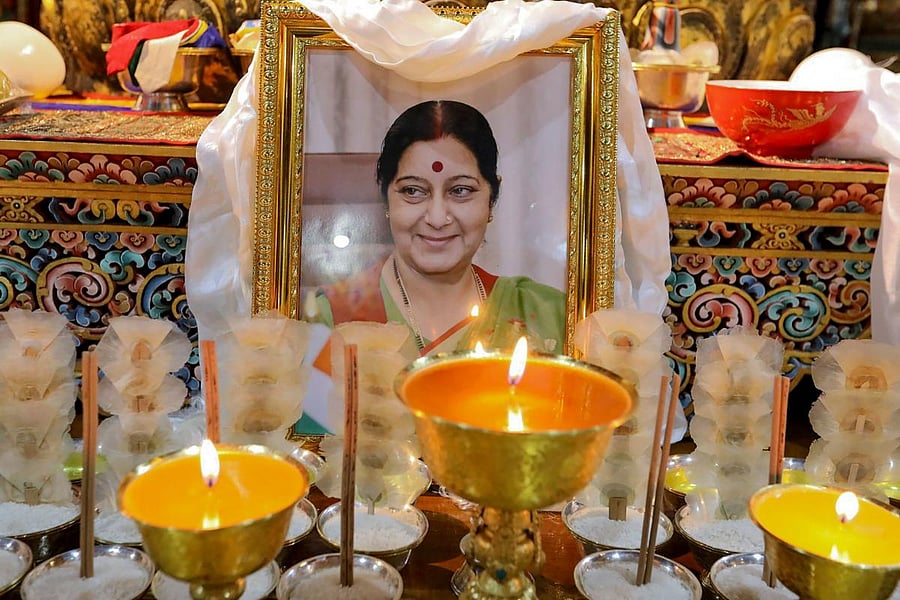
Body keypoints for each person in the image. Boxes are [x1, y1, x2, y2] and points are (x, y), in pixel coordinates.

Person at [314, 100, 566, 357]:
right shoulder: (333, 319)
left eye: (460, 191)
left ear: (491, 200)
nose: (436, 218)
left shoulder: (552, 317)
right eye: (413, 191)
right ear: (385, 199)